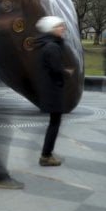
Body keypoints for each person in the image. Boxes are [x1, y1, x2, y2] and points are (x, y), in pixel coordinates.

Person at [35, 16, 69, 167]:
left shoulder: (47, 45)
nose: (62, 28)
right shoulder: (52, 47)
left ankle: (47, 153)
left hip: (49, 89)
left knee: (54, 123)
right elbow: (56, 70)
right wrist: (66, 73)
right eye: (59, 26)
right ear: (51, 29)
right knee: (54, 123)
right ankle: (46, 156)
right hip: (53, 90)